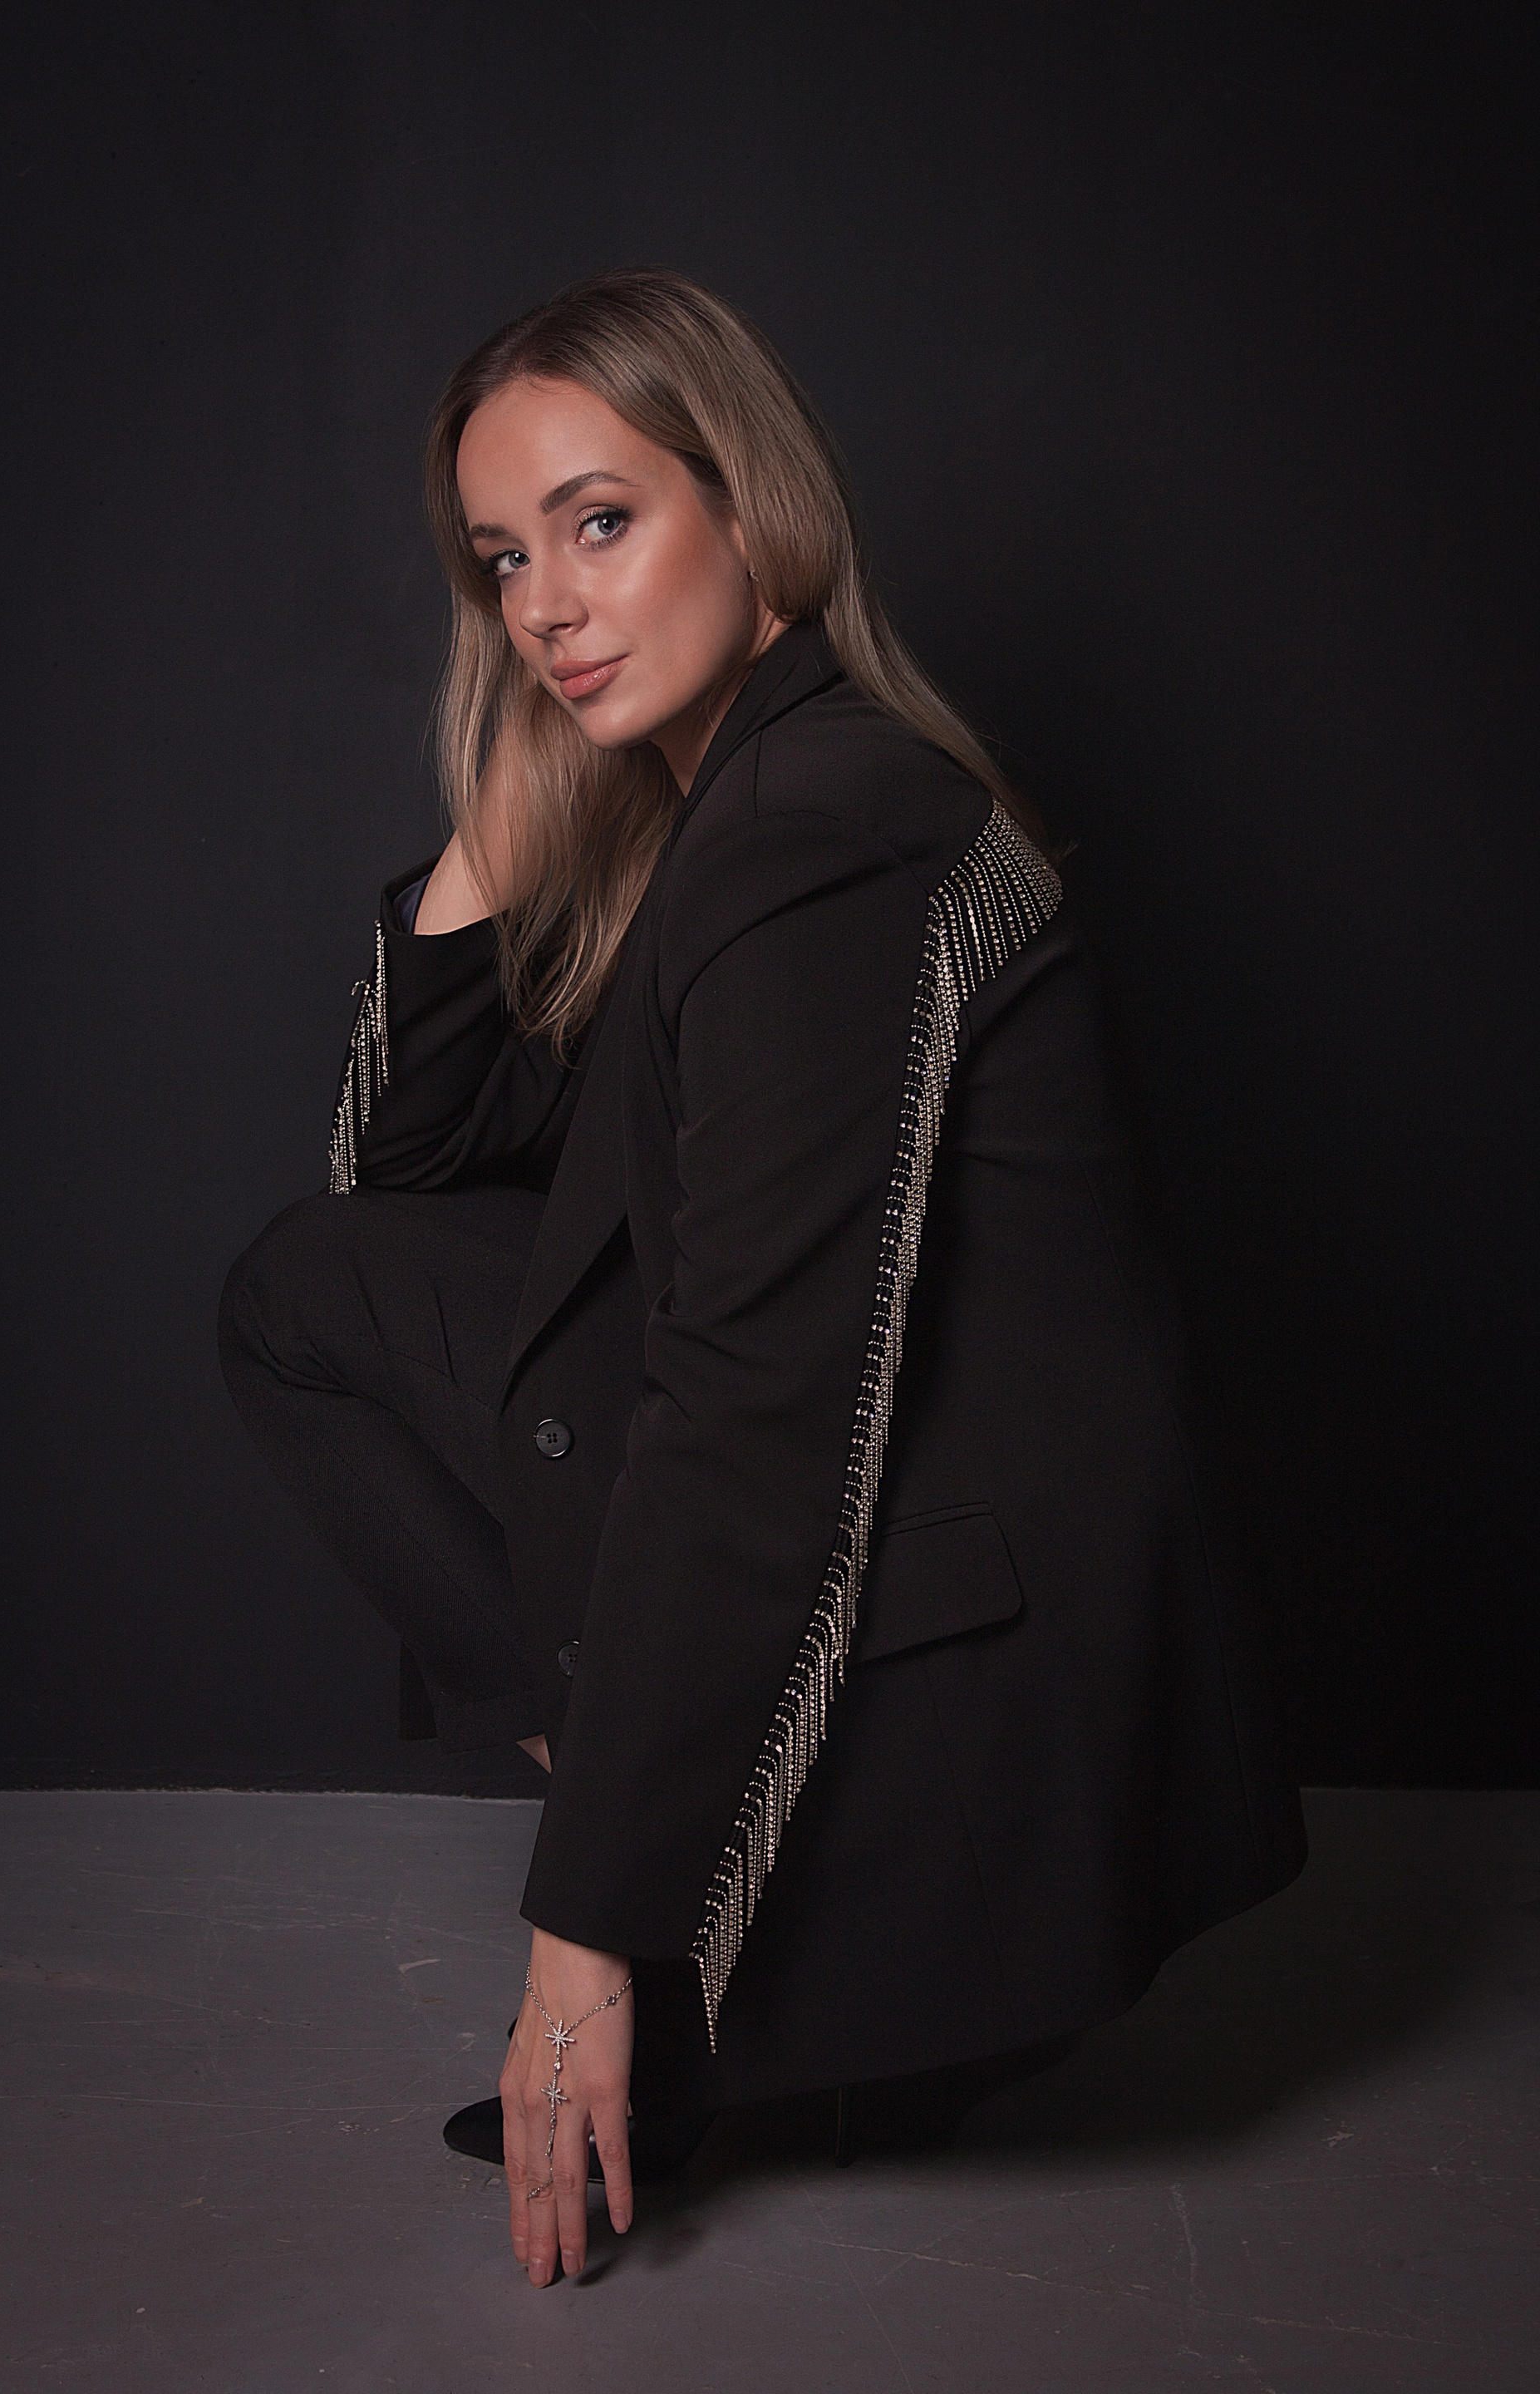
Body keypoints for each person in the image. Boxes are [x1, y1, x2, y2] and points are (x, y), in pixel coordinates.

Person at [219, 268, 1306, 2289]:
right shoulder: (738, 800)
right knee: (312, 1291)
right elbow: (397, 1205)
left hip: (977, 1736)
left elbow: (762, 1411)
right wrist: (505, 812)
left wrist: (589, 1933)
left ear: (754, 508)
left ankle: (747, 1919)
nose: (546, 606)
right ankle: (703, 1859)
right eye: (502, 560)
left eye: (600, 522)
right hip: (928, 1578)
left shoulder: (815, 835)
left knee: (383, 1316)